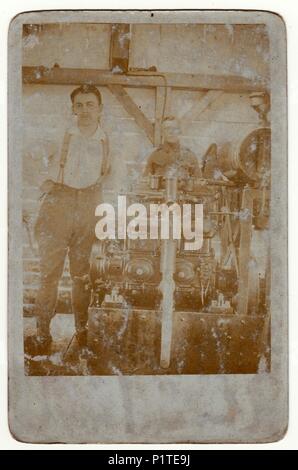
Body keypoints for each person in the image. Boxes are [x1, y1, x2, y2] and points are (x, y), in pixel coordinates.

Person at [26, 84, 110, 355]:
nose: (85, 110)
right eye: (80, 105)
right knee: (49, 274)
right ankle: (42, 334)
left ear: (100, 110)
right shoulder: (58, 135)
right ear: (72, 109)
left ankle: (83, 333)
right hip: (57, 206)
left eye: (90, 105)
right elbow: (26, 157)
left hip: (89, 207)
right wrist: (43, 182)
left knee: (83, 276)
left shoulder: (107, 141)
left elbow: (117, 176)